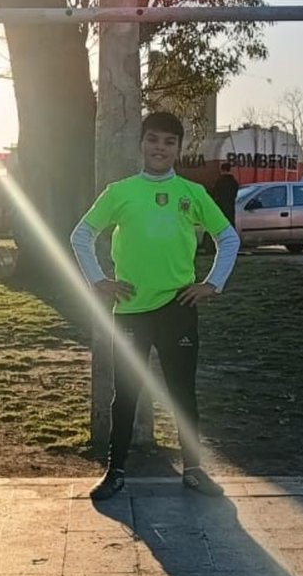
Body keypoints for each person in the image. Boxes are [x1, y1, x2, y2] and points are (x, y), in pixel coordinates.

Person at [70, 111, 241, 500]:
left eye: (168, 142)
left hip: (178, 309)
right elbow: (81, 235)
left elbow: (228, 239)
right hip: (130, 310)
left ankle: (194, 470)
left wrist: (212, 284)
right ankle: (115, 472)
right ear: (141, 144)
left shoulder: (193, 194)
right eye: (153, 140)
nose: (160, 148)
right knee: (126, 394)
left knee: (183, 392)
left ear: (179, 149)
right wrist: (98, 280)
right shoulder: (120, 192)